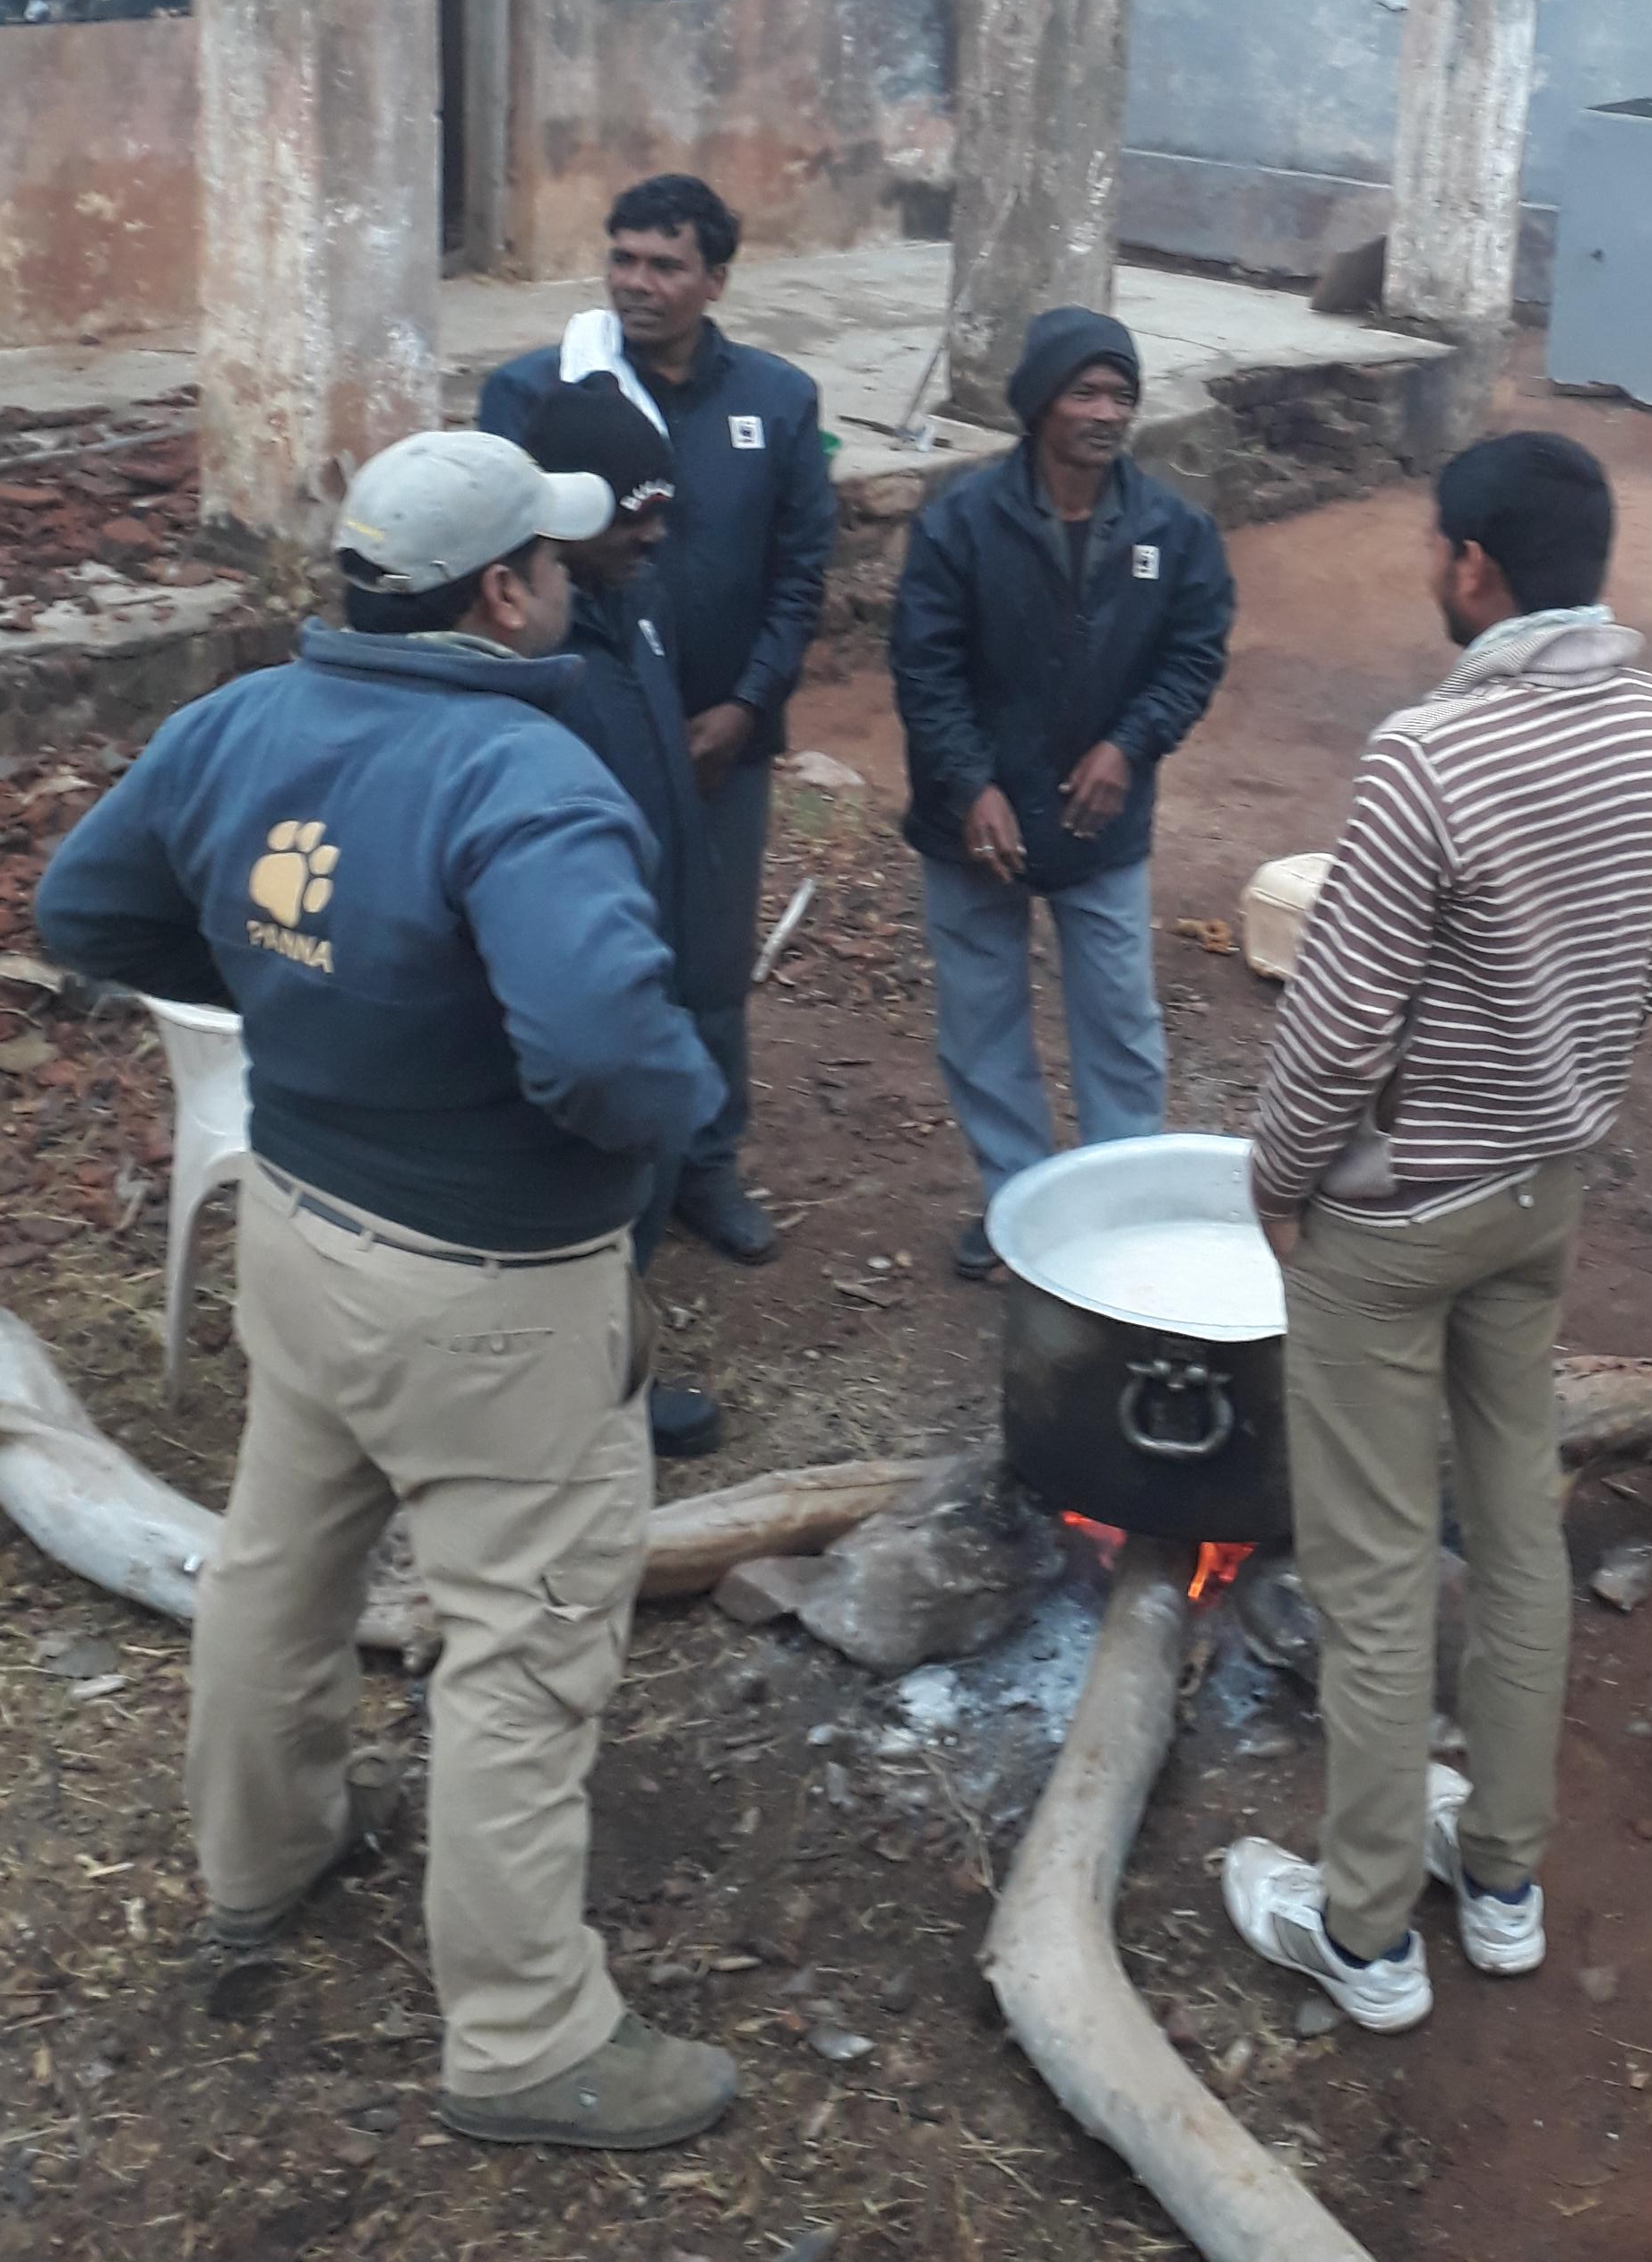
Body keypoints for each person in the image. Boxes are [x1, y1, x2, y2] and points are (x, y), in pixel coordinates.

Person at [34, 430, 736, 2151]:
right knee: (525, 1634)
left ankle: (262, 1858)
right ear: (502, 592)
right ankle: (522, 2033)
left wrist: (303, 999)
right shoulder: (525, 772)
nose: (571, 584)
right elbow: (601, 1056)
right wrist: (676, 1115)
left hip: (304, 1226)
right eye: (554, 564)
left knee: (286, 1548)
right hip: (490, 1287)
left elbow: (85, 908)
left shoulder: (238, 720)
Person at [1222, 434, 1652, 2035]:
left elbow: (1339, 1024)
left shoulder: (1429, 756)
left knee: (1369, 1577)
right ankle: (1497, 1877)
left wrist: (1279, 1176)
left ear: (1475, 568)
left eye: (1435, 546)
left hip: (1392, 1221)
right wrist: (1553, 1096)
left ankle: (1363, 1928)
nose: (1428, 567)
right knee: (1514, 1535)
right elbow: (1649, 974)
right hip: (1537, 1195)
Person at [478, 171, 838, 1268]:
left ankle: (705, 1165)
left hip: (720, 750)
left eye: (666, 264)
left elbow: (801, 573)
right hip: (574, 743)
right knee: (580, 962)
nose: (638, 284)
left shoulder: (776, 403)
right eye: (623, 258)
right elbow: (499, 560)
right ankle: (583, 1183)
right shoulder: (536, 394)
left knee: (710, 969)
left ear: (716, 279)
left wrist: (742, 709)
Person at [889, 306, 1235, 1278]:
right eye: (1084, 391)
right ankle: (1015, 1209)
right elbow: (924, 668)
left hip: (1100, 824)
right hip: (973, 826)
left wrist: (1129, 747)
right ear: (1039, 404)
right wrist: (969, 787)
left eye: (1120, 394)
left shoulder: (1175, 530)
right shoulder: (958, 523)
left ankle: (1120, 1220)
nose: (1105, 412)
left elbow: (1193, 656)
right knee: (983, 1024)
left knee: (1119, 1025)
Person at [519, 377, 735, 1463]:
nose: (655, 529)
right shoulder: (530, 655)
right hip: (579, 965)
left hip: (656, 943)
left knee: (641, 1192)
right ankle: (577, 1409)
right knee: (583, 1199)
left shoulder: (639, 596)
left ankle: (609, 1371)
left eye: (661, 505)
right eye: (631, 513)